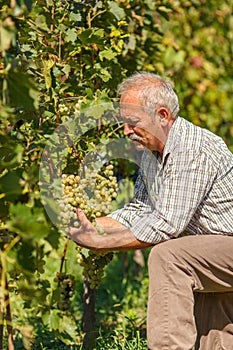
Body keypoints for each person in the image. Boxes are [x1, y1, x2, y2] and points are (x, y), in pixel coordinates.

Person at [68, 72, 233, 350]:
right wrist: (94, 225)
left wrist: (102, 243)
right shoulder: (151, 153)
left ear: (162, 115)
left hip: (222, 245)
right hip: (210, 250)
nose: (125, 131)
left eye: (132, 122)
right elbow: (142, 208)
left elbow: (167, 223)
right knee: (214, 342)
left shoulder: (192, 149)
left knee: (169, 256)